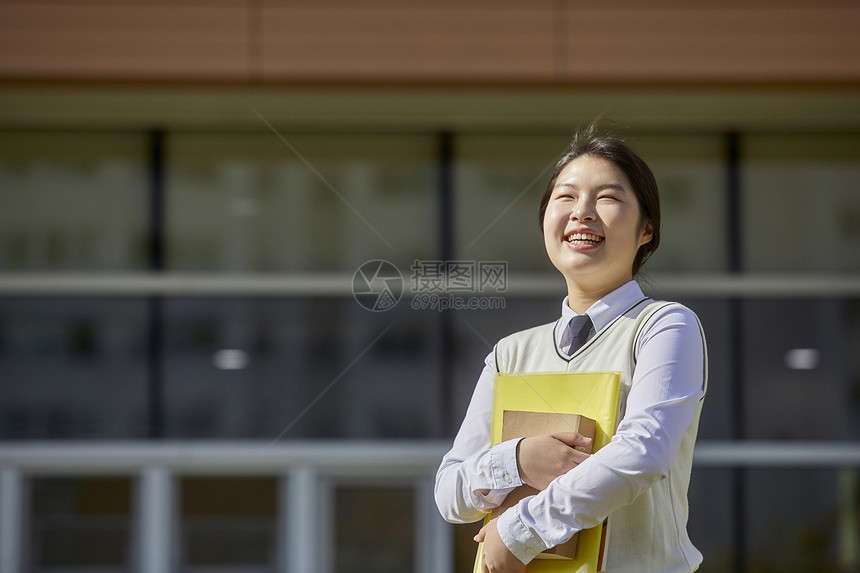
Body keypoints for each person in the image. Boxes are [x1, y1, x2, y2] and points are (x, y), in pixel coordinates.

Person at [434, 123, 707, 573]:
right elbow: (449, 493)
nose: (582, 212)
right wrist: (517, 459)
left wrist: (519, 530)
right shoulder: (509, 354)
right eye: (566, 196)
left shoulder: (663, 326)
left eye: (608, 198)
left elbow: (643, 453)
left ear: (646, 231)